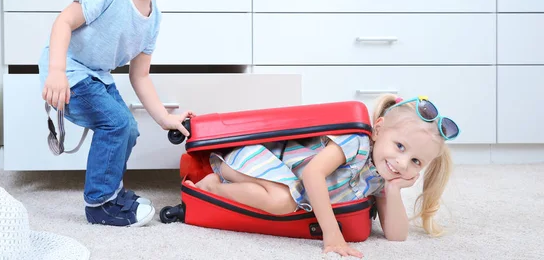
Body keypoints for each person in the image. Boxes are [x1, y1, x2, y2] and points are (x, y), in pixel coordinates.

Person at [39, 0, 194, 227]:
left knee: (129, 128)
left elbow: (140, 75)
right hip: (68, 68)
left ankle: (112, 191)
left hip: (96, 74)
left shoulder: (154, 19)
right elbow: (63, 22)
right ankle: (100, 203)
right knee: (117, 123)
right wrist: (56, 71)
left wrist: (165, 119)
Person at [186, 94, 459, 257]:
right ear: (378, 129)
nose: (401, 163)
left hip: (272, 179)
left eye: (415, 161)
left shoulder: (378, 178)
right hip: (253, 158)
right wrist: (332, 234)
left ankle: (221, 182)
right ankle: (214, 185)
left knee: (285, 199)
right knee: (284, 202)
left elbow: (395, 236)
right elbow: (313, 174)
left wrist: (394, 190)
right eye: (399, 146)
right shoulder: (357, 142)